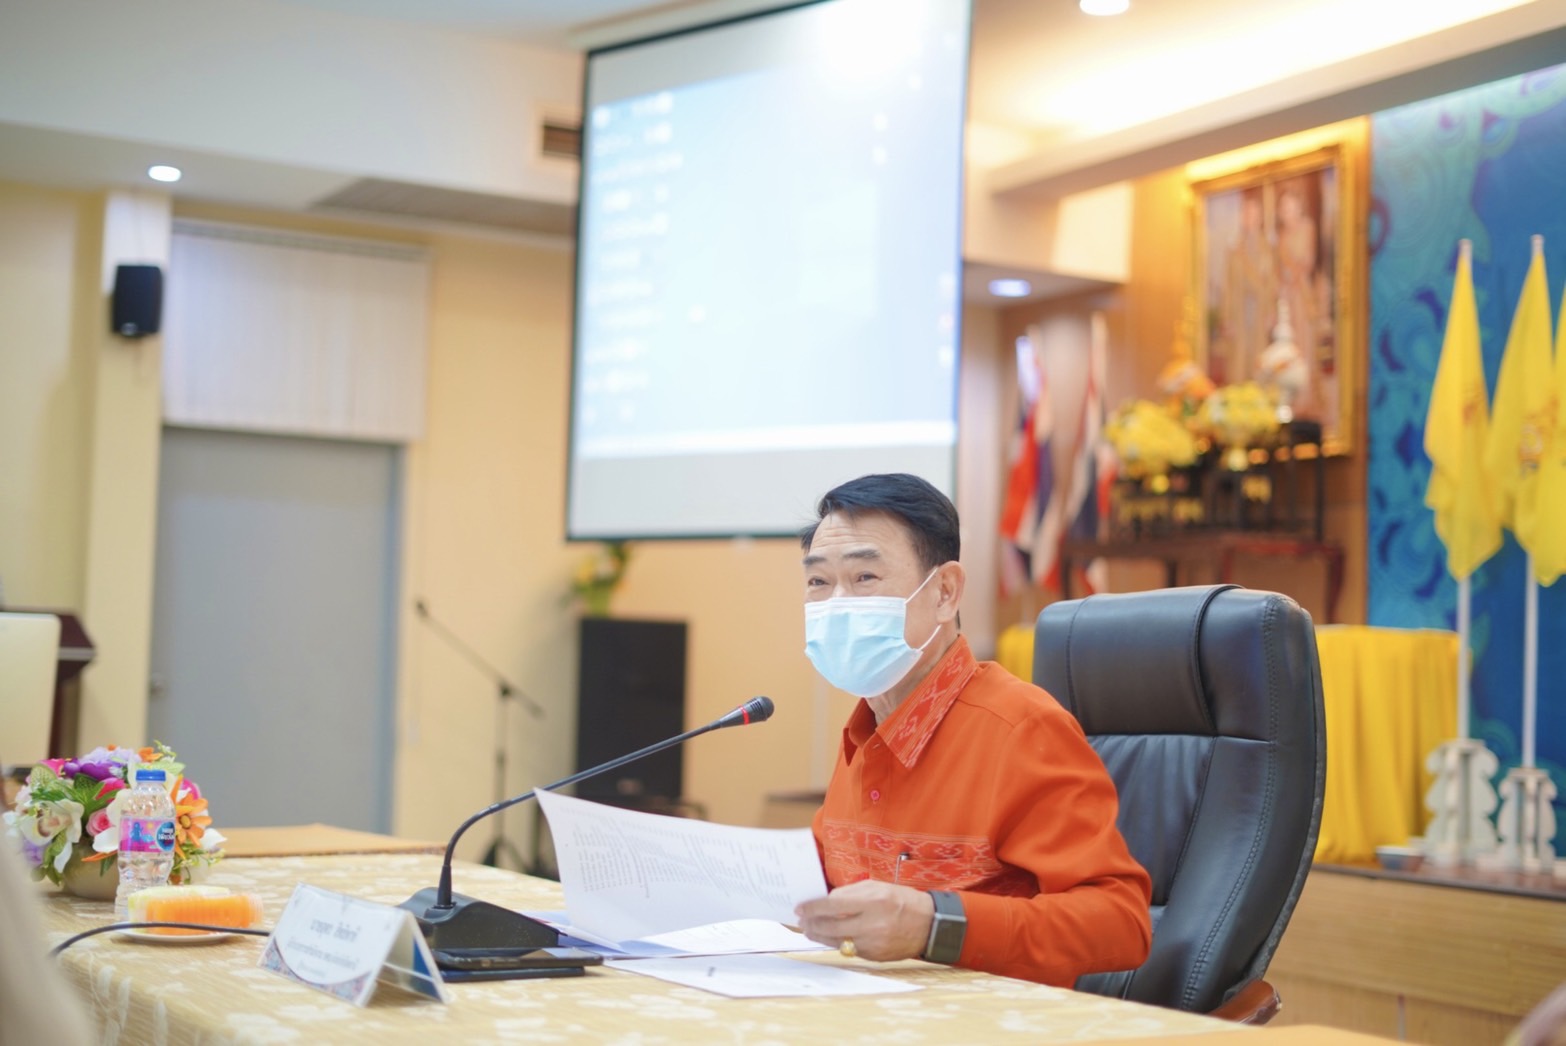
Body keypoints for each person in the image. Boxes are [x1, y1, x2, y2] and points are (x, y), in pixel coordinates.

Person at [793, 473, 1152, 986]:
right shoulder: (867, 726)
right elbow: (825, 878)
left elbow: (1121, 924)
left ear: (944, 592)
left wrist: (935, 925)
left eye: (865, 577)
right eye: (818, 583)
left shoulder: (1022, 728)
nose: (837, 604)